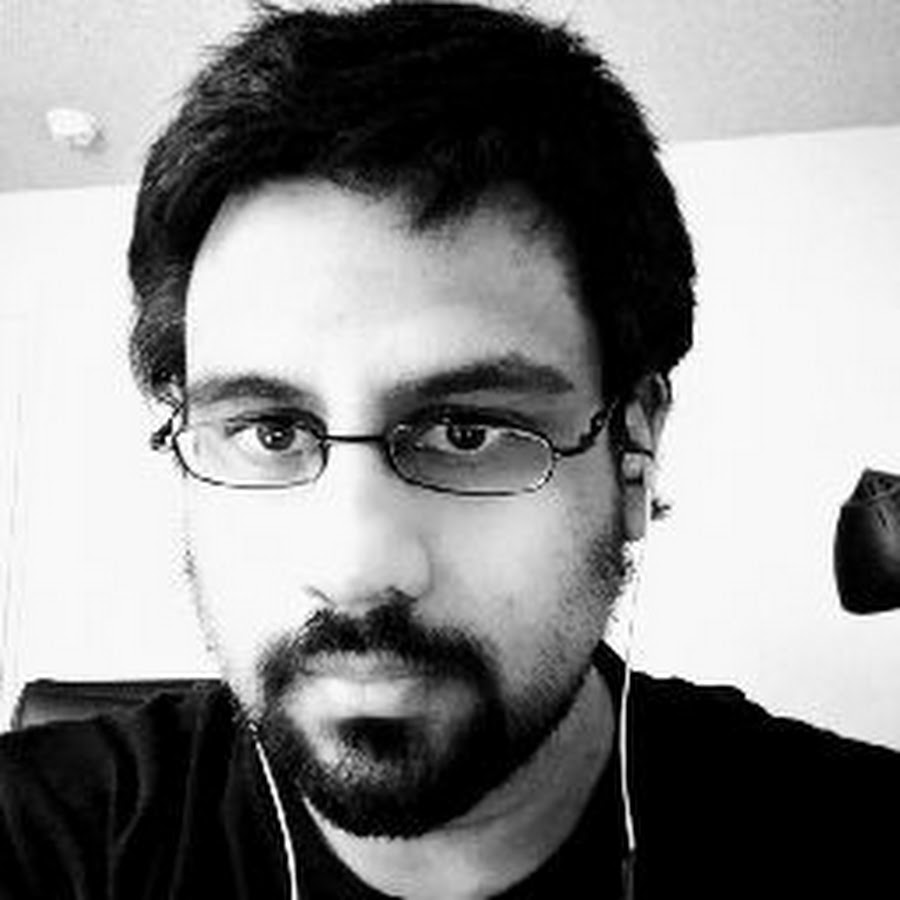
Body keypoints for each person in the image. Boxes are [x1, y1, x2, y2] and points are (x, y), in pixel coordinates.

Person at [0, 2, 897, 898]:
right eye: (272, 432)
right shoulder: (40, 837)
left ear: (634, 443)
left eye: (467, 432)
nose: (355, 572)